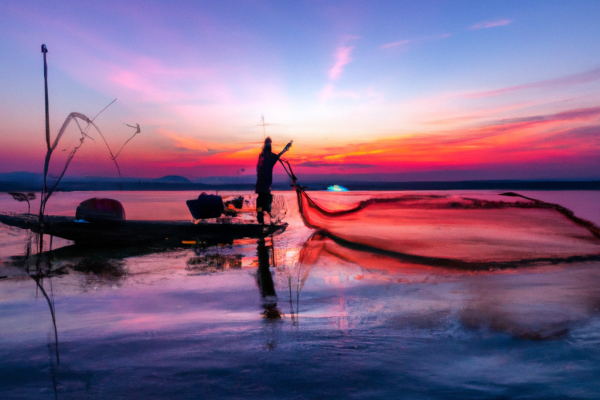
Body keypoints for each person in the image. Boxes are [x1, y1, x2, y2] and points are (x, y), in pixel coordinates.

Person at [255, 137, 292, 224]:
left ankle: (260, 219)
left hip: (260, 186)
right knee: (266, 203)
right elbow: (279, 155)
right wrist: (286, 148)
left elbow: (258, 168)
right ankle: (264, 221)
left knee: (260, 203)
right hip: (265, 186)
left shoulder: (261, 156)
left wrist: (286, 148)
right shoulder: (270, 156)